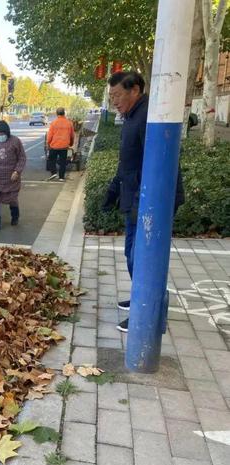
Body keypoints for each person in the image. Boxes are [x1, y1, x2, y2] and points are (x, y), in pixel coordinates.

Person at [102, 71, 184, 332]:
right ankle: (141, 298)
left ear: (134, 90)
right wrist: (112, 192)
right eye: (111, 96)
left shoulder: (149, 118)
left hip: (148, 203)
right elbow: (128, 164)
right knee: (131, 254)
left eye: (117, 95)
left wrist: (140, 204)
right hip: (134, 199)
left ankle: (148, 314)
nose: (114, 101)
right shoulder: (131, 117)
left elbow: (155, 167)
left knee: (143, 258)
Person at [46, 107, 75, 181]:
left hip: (54, 145)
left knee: (51, 159)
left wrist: (48, 143)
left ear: (56, 114)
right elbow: (72, 135)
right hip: (64, 146)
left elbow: (50, 135)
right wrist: (71, 143)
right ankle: (61, 177)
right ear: (64, 113)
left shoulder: (53, 123)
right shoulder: (69, 123)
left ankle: (54, 173)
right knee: (63, 162)